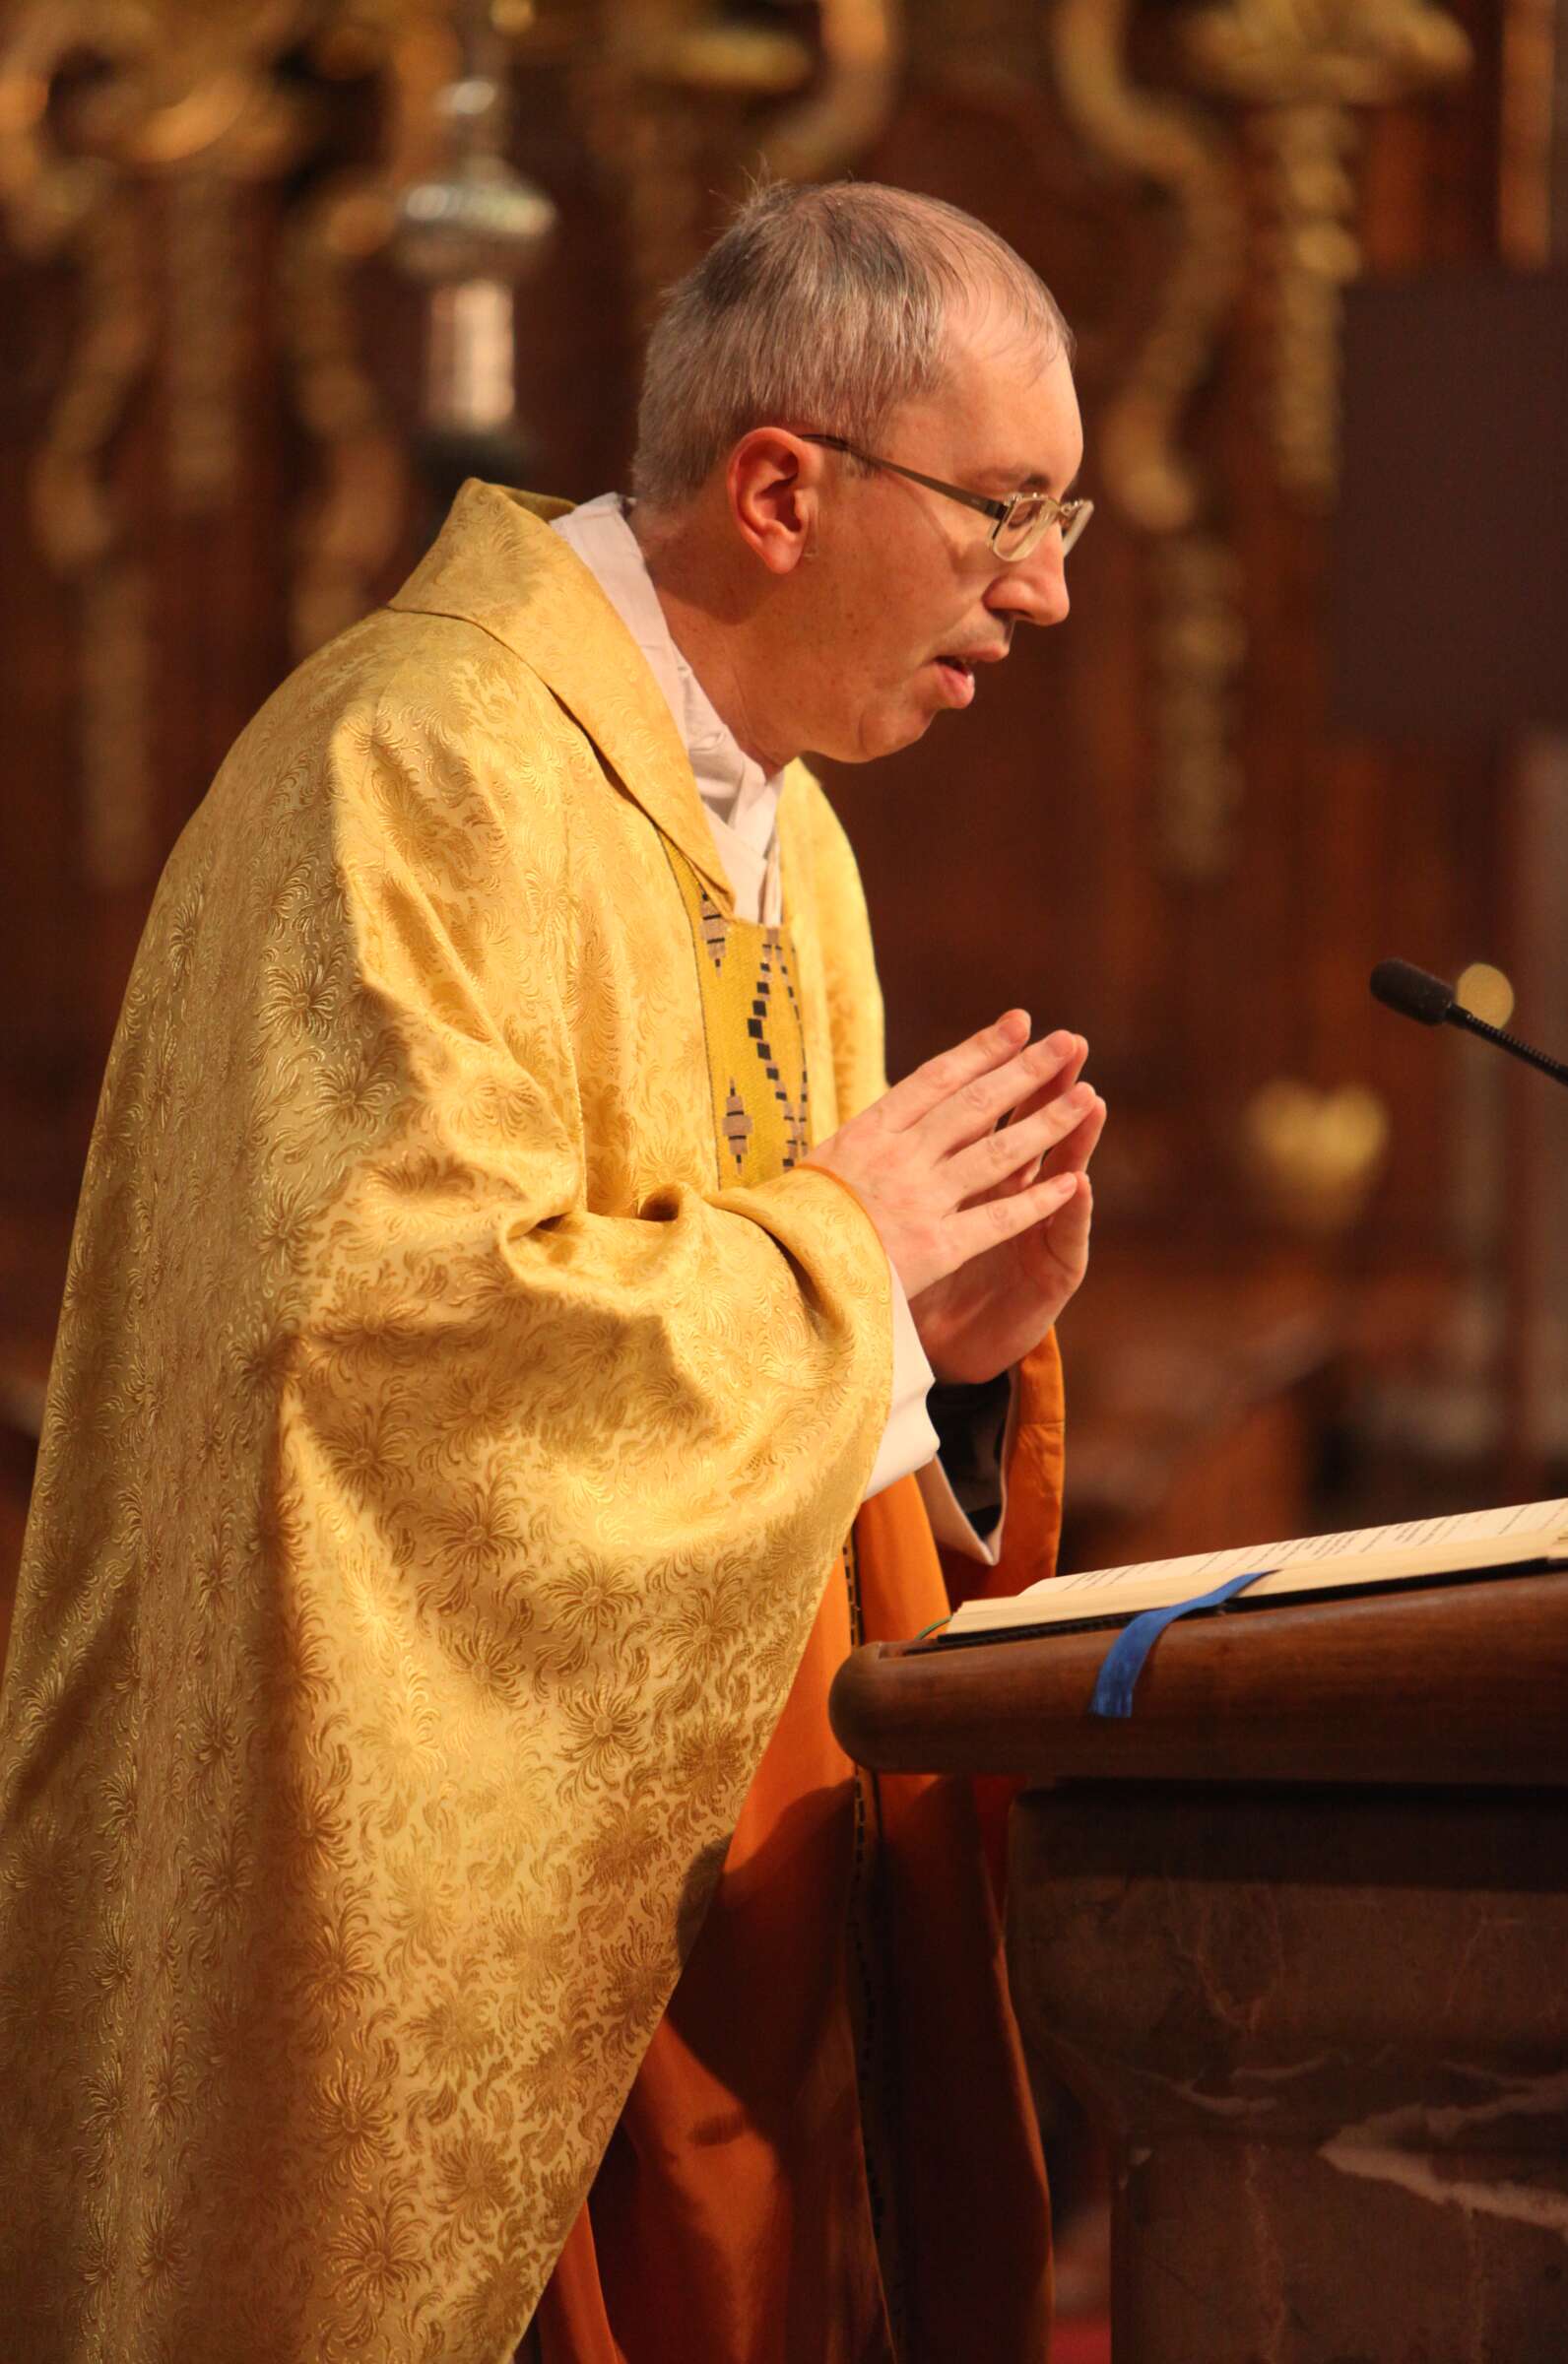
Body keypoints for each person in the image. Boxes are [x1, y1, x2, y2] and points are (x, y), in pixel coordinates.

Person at [0, 180, 1102, 2363]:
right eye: (1006, 511)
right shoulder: (411, 766)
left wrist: (936, 1361)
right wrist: (841, 1269)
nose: (1048, 587)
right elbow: (387, 1365)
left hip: (739, 1911)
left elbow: (787, 1342)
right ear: (779, 490)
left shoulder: (789, 831)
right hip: (458, 1930)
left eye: (1060, 520)